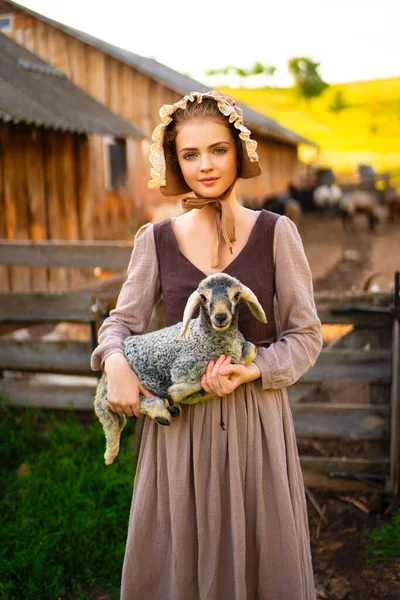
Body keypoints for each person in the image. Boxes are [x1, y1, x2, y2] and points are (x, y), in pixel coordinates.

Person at [91, 90, 323, 600]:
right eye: (190, 154)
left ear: (239, 152)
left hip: (254, 427)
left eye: (218, 150)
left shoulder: (276, 233)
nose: (205, 166)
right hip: (182, 433)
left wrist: (255, 367)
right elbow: (120, 323)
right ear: (175, 161)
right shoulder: (155, 239)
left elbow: (306, 335)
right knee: (182, 567)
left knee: (260, 560)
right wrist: (115, 363)